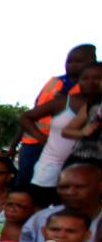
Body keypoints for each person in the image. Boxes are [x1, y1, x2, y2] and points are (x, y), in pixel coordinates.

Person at [14, 44, 96, 186]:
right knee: (25, 185)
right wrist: (15, 145)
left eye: (78, 61)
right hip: (34, 143)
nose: (71, 65)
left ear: (91, 61)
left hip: (64, 149)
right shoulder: (54, 82)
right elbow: (30, 113)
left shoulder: (89, 89)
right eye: (69, 61)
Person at [20, 162, 102, 242]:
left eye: (80, 187)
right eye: (64, 187)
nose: (70, 192)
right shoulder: (42, 218)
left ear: (100, 187)